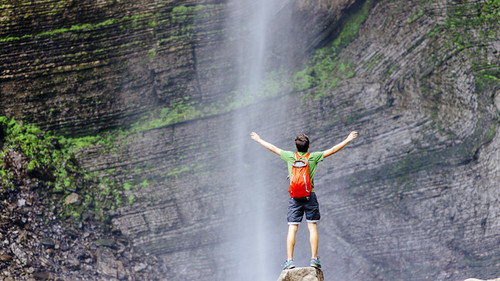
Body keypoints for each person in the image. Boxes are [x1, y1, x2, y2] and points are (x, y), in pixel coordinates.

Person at [250, 131, 358, 270]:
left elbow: (273, 148)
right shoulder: (312, 157)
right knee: (312, 226)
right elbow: (332, 150)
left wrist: (259, 139)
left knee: (292, 228)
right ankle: (314, 259)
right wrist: (347, 139)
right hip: (309, 195)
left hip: (295, 197)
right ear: (308, 147)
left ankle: (289, 261)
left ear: (296, 147)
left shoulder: (290, 156)